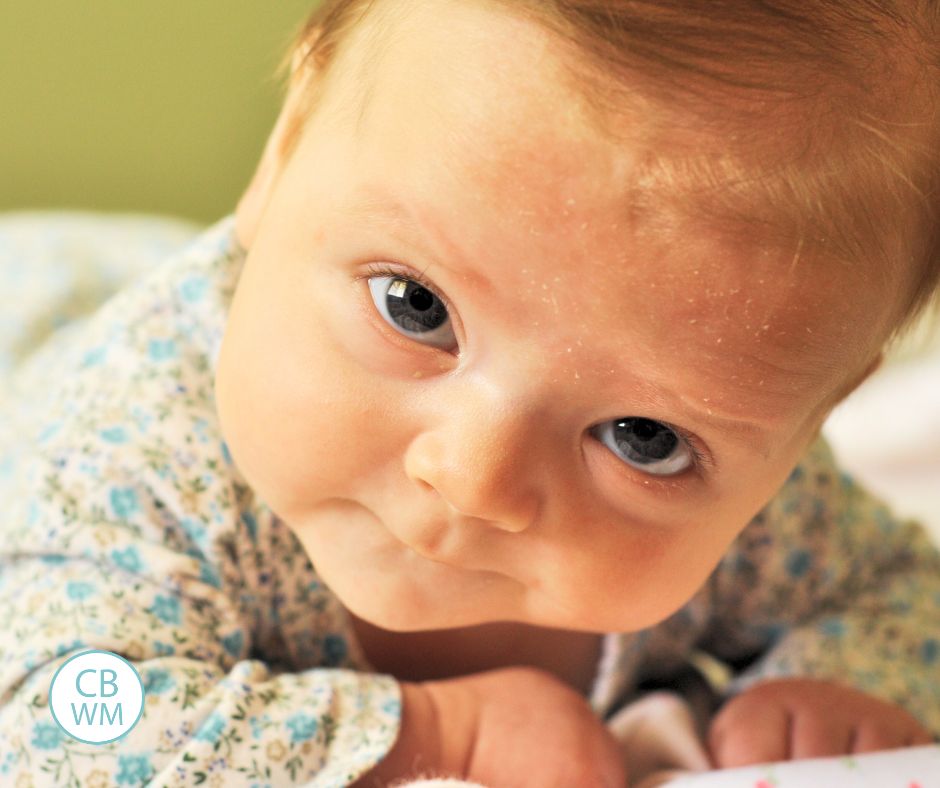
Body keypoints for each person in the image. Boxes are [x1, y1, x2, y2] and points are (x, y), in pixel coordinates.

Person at [1, 1, 938, 786]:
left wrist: (835, 685)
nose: (475, 476)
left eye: (642, 438)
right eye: (414, 307)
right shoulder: (135, 458)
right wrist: (437, 735)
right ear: (279, 155)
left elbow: (899, 591)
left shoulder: (772, 518)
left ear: (814, 418)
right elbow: (60, 725)